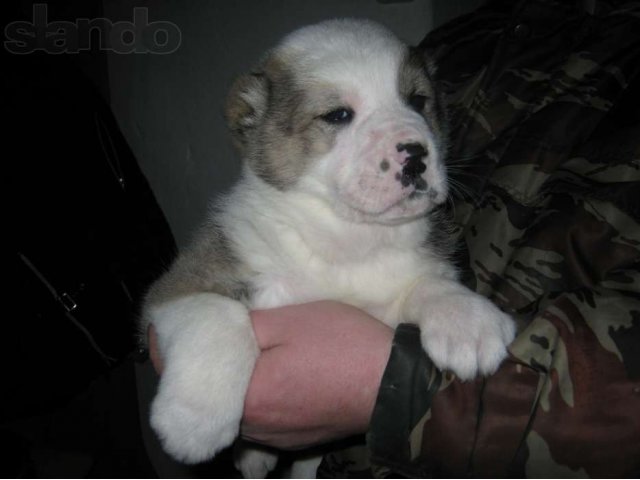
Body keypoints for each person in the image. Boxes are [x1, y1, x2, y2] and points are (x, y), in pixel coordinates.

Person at [150, 0, 640, 476]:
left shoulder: (417, 250)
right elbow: (172, 302)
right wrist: (212, 349)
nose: (410, 141)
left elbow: (409, 288)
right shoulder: (246, 237)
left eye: (415, 101)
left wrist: (434, 299)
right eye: (338, 115)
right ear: (254, 124)